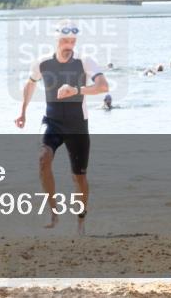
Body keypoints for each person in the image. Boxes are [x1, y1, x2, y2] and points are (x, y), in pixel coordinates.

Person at [16, 19, 109, 235]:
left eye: (73, 41)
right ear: (57, 39)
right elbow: (30, 83)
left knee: (79, 177)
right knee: (43, 158)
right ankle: (54, 212)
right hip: (52, 121)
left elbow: (103, 86)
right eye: (65, 40)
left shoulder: (85, 61)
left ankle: (81, 220)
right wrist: (22, 111)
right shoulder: (42, 63)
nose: (69, 44)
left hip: (78, 124)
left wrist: (75, 90)